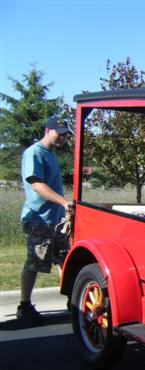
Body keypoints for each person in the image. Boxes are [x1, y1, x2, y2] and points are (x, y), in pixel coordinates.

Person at [17, 116, 73, 321]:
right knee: (35, 261)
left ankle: (72, 300)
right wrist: (64, 202)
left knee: (64, 258)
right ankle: (24, 305)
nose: (63, 138)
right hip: (38, 219)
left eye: (66, 135)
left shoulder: (51, 154)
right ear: (47, 130)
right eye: (59, 133)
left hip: (56, 219)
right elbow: (36, 185)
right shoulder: (34, 153)